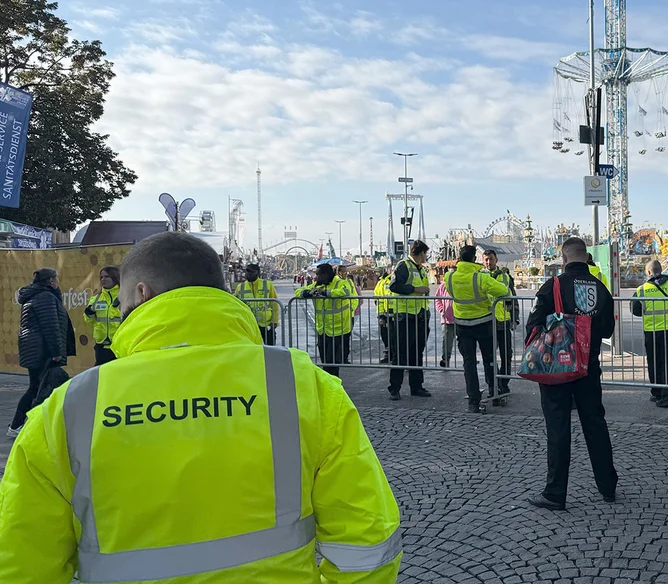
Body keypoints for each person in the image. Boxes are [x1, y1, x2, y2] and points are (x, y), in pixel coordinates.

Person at [0, 232, 402, 582]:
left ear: (142, 294)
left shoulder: (68, 410)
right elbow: (367, 541)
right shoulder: (303, 385)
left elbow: (19, 564)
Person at [527, 237, 617, 510]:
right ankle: (608, 486)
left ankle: (555, 492)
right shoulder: (601, 288)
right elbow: (606, 331)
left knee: (558, 426)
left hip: (558, 368)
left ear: (564, 259)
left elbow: (533, 325)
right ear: (587, 257)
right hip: (589, 366)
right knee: (595, 424)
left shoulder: (553, 286)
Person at [8, 268, 75, 439]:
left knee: (38, 387)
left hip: (36, 350)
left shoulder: (35, 295)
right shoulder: (45, 297)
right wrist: (57, 352)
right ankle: (18, 424)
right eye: (56, 279)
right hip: (43, 351)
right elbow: (51, 326)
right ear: (51, 280)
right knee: (38, 388)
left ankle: (27, 424)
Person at [446, 246, 511, 412]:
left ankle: (473, 401)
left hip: (462, 325)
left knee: (469, 363)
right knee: (489, 360)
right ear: (475, 258)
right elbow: (504, 290)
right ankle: (493, 392)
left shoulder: (449, 277)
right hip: (483, 324)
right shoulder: (481, 278)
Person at [388, 240, 433, 400]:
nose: (426, 257)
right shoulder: (404, 266)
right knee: (400, 354)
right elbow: (394, 286)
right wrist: (415, 289)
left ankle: (416, 386)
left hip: (419, 316)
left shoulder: (420, 269)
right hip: (404, 317)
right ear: (420, 253)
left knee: (416, 354)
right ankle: (395, 388)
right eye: (425, 253)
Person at [296, 263, 353, 377]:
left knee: (332, 364)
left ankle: (333, 386)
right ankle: (330, 384)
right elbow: (298, 292)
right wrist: (308, 293)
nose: (316, 277)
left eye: (318, 274)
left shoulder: (340, 282)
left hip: (338, 329)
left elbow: (345, 292)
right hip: (323, 330)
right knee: (326, 361)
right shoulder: (317, 285)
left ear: (326, 274)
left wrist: (325, 293)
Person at [631, 260, 668, 408]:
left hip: (651, 331)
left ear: (648, 273)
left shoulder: (642, 289)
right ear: (661, 270)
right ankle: (667, 393)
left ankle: (657, 392)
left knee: (654, 362)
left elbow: (635, 309)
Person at [484, 249, 519, 395]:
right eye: (485, 260)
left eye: (491, 259)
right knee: (489, 357)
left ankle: (503, 383)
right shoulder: (480, 277)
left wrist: (514, 317)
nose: (488, 262)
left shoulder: (505, 277)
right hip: (486, 322)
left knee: (506, 355)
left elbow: (513, 297)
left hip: (503, 322)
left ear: (496, 259)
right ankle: (493, 385)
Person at [83, 266, 122, 366]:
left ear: (115, 278)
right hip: (101, 346)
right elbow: (87, 320)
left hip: (119, 344)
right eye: (101, 277)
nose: (103, 279)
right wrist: (90, 311)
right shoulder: (97, 297)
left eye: (107, 276)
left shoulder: (123, 296)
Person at [234, 263, 280, 346]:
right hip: (248, 325)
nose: (248, 274)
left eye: (251, 272)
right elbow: (234, 303)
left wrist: (275, 321)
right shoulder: (240, 287)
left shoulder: (268, 285)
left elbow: (275, 304)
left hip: (266, 324)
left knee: (270, 350)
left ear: (258, 273)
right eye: (247, 272)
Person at [435, 266, 457, 368]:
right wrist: (441, 309)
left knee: (464, 341)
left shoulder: (460, 284)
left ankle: (468, 358)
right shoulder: (444, 285)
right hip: (447, 319)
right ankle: (445, 359)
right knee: (446, 341)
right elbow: (437, 299)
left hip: (461, 318)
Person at [374, 268, 393, 364]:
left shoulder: (398, 280)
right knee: (385, 335)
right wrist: (381, 316)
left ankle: (395, 355)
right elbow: (378, 301)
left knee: (396, 337)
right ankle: (389, 354)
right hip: (386, 314)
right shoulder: (382, 283)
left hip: (398, 314)